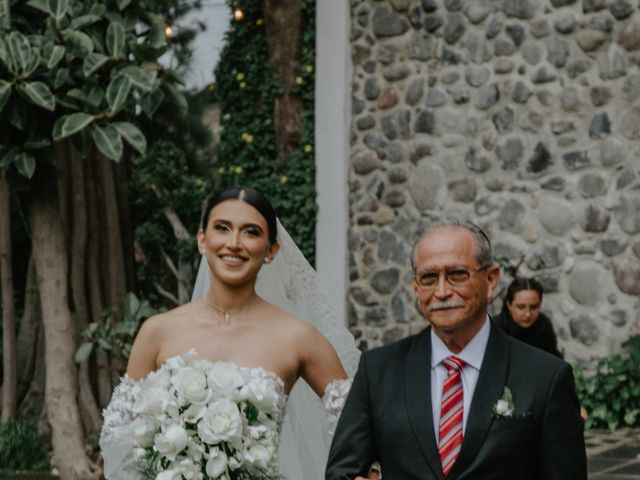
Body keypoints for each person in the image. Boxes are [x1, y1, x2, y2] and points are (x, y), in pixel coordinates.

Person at [100, 186, 374, 479]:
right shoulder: (157, 331)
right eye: (222, 228)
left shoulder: (298, 337)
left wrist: (364, 472)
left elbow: (356, 423)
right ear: (202, 239)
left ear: (272, 250)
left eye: (251, 232)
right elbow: (121, 439)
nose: (234, 243)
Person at [326, 218, 587, 479]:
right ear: (416, 287)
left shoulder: (546, 377)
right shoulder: (378, 372)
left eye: (457, 274)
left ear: (491, 279)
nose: (441, 291)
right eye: (429, 278)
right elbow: (341, 473)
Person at [495, 277, 561, 357]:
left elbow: (554, 359)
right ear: (509, 305)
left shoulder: (544, 324)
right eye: (521, 307)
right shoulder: (496, 328)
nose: (528, 314)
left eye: (534, 307)